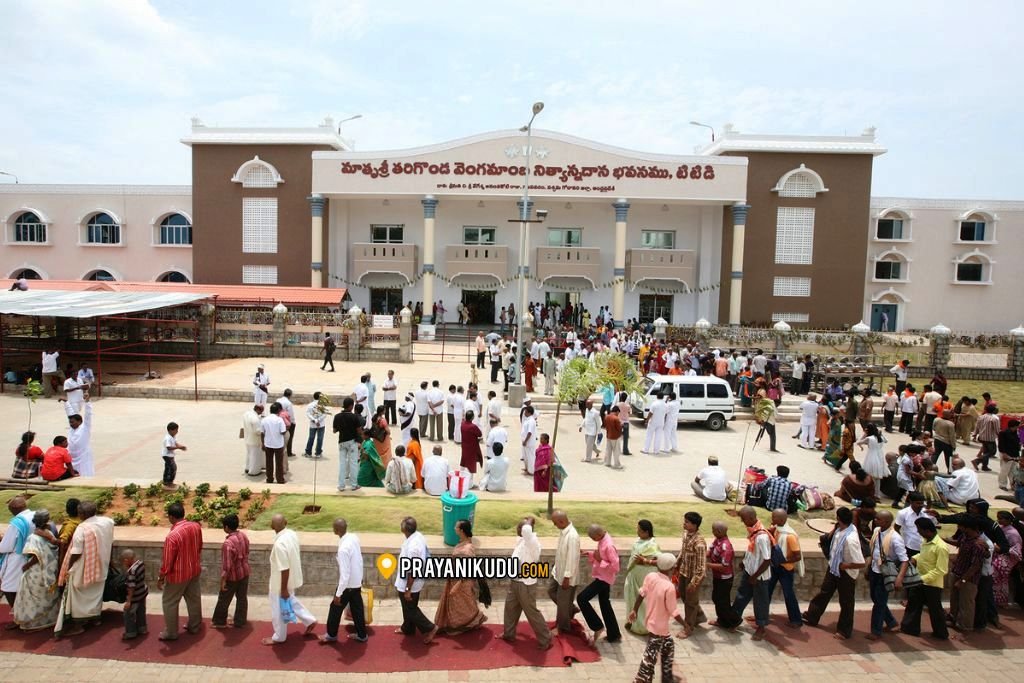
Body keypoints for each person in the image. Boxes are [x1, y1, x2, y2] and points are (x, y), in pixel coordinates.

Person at [802, 506, 866, 640]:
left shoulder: (851, 539)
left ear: (838, 519)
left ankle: (844, 631)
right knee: (824, 593)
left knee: (846, 602)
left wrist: (846, 565)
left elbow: (860, 562)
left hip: (846, 574)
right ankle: (812, 616)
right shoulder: (840, 528)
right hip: (833, 568)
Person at [55, 501, 114, 637]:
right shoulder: (107, 522)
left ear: (81, 514)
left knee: (78, 595)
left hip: (83, 568)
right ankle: (95, 618)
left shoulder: (82, 528)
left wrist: (68, 567)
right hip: (102, 564)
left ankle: (78, 625)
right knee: (96, 592)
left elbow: (76, 552)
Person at [629, 553, 686, 683]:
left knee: (668, 646)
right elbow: (674, 612)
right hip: (659, 627)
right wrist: (686, 624)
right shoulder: (669, 587)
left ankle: (666, 678)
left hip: (651, 622)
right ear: (671, 569)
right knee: (650, 655)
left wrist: (635, 610)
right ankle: (641, 679)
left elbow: (641, 593)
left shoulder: (650, 576)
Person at [499, 516, 552, 649]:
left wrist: (530, 521)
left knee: (531, 612)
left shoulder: (532, 542)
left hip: (526, 584)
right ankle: (509, 634)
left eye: (520, 527)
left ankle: (546, 639)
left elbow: (527, 530)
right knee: (510, 608)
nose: (517, 529)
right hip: (516, 581)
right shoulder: (521, 541)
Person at [264, 514, 317, 645]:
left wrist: (283, 589)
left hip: (280, 582)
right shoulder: (292, 534)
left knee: (278, 609)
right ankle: (309, 620)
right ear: (286, 522)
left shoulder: (279, 545)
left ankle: (279, 637)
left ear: (272, 526)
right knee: (290, 601)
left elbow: (284, 568)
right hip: (291, 579)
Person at [156, 502, 202, 640]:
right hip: (193, 569)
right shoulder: (195, 526)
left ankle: (171, 632)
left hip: (178, 575)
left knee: (169, 602)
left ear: (170, 517)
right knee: (194, 599)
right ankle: (195, 625)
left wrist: (161, 577)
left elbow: (167, 561)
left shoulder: (172, 536)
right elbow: (199, 547)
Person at [434, 519, 489, 634]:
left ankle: (472, 621)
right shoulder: (463, 542)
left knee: (464, 604)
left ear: (461, 530)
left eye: (456, 527)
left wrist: (457, 585)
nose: (454, 528)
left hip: (462, 582)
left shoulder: (467, 549)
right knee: (460, 604)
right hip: (454, 579)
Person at [725, 506, 772, 639]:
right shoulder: (753, 531)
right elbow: (753, 552)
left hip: (759, 576)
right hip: (750, 571)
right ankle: (733, 620)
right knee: (741, 596)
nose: (742, 521)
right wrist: (745, 563)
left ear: (751, 518)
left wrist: (755, 576)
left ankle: (761, 628)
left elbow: (767, 560)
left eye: (744, 519)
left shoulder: (762, 536)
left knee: (760, 601)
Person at [899, 517, 949, 639]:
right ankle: (909, 628)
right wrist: (915, 558)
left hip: (932, 584)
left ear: (927, 531)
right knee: (913, 603)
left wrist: (923, 578)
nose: (918, 532)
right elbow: (923, 554)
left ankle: (941, 633)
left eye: (919, 530)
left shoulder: (941, 547)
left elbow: (941, 569)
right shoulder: (925, 541)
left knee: (935, 609)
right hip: (919, 579)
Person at [12, 509, 60, 632]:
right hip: (49, 569)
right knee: (45, 595)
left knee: (32, 597)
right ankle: (50, 620)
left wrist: (26, 566)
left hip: (36, 571)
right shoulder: (49, 533)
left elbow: (35, 556)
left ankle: (34, 623)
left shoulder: (33, 537)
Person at [321, 518, 367, 644]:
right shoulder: (354, 537)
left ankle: (331, 635)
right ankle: (362, 635)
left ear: (336, 530)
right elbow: (359, 560)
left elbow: (345, 575)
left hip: (348, 585)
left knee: (335, 608)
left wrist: (338, 594)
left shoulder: (343, 550)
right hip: (356, 582)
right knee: (357, 609)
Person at [866, 510, 907, 640]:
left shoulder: (895, 538)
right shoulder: (876, 531)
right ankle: (892, 623)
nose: (875, 520)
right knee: (877, 599)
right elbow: (873, 551)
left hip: (886, 574)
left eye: (878, 519)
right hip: (874, 570)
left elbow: (904, 560)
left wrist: (899, 578)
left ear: (887, 522)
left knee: (879, 602)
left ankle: (875, 631)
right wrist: (868, 567)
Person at [395, 517, 438, 643]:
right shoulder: (417, 536)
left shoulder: (413, 547)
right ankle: (408, 628)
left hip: (410, 583)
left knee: (410, 608)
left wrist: (408, 589)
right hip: (411, 581)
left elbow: (413, 569)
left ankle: (430, 628)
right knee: (409, 606)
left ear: (404, 529)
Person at [212, 513, 250, 629]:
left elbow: (227, 566)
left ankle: (219, 621)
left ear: (227, 527)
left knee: (224, 598)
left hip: (233, 576)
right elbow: (247, 551)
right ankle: (240, 620)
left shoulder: (227, 544)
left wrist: (223, 580)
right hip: (244, 572)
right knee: (242, 597)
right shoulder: (243, 536)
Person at [623, 520, 661, 636]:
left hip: (646, 575)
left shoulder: (653, 545)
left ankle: (644, 626)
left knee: (644, 601)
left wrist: (644, 560)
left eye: (639, 530)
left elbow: (659, 561)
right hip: (634, 575)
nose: (637, 532)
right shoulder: (638, 541)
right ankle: (632, 623)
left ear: (646, 532)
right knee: (632, 598)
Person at [673, 512, 707, 639]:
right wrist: (677, 564)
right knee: (683, 595)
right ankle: (699, 616)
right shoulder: (687, 535)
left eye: (687, 522)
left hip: (693, 576)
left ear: (694, 525)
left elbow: (701, 567)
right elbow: (683, 551)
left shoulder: (699, 543)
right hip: (684, 572)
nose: (684, 523)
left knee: (690, 603)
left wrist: (694, 583)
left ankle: (688, 627)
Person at [547, 509, 580, 635]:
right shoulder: (563, 532)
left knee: (562, 602)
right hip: (558, 573)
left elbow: (572, 559)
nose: (555, 526)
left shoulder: (572, 536)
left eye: (555, 523)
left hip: (567, 576)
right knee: (551, 592)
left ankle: (563, 627)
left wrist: (567, 577)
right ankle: (570, 609)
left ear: (561, 521)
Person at [705, 521, 737, 629]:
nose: (712, 532)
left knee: (723, 602)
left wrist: (708, 565)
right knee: (716, 598)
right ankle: (721, 620)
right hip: (717, 577)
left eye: (713, 530)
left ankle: (733, 623)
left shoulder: (726, 547)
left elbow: (724, 566)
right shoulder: (717, 540)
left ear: (719, 531)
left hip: (725, 578)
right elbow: (710, 551)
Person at [992, 510, 1022, 607]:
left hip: (1008, 559)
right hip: (999, 555)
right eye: (998, 518)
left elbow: (1016, 551)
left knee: (1000, 578)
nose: (999, 520)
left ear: (1008, 520)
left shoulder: (1013, 533)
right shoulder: (1001, 528)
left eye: (1001, 519)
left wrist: (1000, 549)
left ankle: (1000, 600)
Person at [333, 397, 363, 492]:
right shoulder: (354, 417)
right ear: (350, 406)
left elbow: (334, 430)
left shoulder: (337, 416)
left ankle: (341, 485)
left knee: (342, 463)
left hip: (342, 442)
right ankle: (354, 485)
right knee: (353, 463)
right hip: (352, 442)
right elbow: (359, 431)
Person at [118, 548, 149, 640]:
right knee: (141, 611)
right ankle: (142, 628)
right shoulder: (141, 564)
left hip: (135, 596)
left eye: (124, 562)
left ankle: (131, 633)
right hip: (142, 593)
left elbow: (131, 587)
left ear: (127, 560)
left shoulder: (131, 572)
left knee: (128, 614)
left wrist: (128, 601)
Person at [856, 422, 887, 498]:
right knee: (877, 478)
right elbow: (886, 441)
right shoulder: (880, 437)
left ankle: (870, 493)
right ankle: (877, 494)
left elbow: (858, 442)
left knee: (869, 475)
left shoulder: (869, 438)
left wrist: (864, 434)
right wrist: (880, 434)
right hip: (880, 457)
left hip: (871, 456)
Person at [261, 402, 287, 485]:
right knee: (279, 463)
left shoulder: (264, 419)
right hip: (278, 444)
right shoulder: (279, 420)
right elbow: (283, 432)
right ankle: (280, 479)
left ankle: (269, 478)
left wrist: (263, 443)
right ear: (279, 410)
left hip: (268, 443)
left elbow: (262, 433)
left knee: (269, 462)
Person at [66, 402, 94, 476]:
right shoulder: (71, 429)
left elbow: (88, 415)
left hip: (83, 457)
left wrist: (87, 402)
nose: (71, 424)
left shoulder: (85, 428)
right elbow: (70, 413)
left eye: (72, 422)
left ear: (80, 421)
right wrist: (66, 403)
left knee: (84, 474)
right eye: (70, 422)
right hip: (72, 457)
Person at [460, 411, 484, 488]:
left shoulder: (462, 424)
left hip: (464, 447)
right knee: (471, 465)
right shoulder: (473, 427)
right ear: (472, 417)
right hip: (472, 448)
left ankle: (461, 479)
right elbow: (479, 434)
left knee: (464, 463)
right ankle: (469, 485)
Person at [973, 404, 1000, 472]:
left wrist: (975, 434)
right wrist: (1000, 437)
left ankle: (984, 466)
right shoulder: (995, 418)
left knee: (986, 452)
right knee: (992, 452)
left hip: (982, 437)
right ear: (994, 411)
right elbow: (997, 430)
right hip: (990, 438)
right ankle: (977, 461)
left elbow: (977, 426)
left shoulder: (981, 417)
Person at [160, 421, 187, 488]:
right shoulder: (168, 438)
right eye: (176, 430)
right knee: (172, 468)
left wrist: (181, 447)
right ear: (170, 430)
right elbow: (169, 447)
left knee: (168, 468)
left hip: (170, 455)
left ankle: (166, 481)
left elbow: (176, 443)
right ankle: (169, 482)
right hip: (167, 455)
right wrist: (178, 447)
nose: (177, 431)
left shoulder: (173, 436)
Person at [998, 418, 1021, 491]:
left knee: (1014, 471)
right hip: (1006, 454)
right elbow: (1001, 444)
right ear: (1013, 426)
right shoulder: (1003, 433)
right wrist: (1004, 454)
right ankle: (1002, 484)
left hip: (1014, 454)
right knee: (1005, 470)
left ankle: (1013, 485)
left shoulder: (1015, 433)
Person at [303, 392, 328, 458]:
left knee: (311, 438)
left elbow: (308, 414)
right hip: (321, 424)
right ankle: (318, 453)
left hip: (313, 424)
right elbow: (325, 414)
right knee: (320, 439)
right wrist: (318, 420)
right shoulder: (323, 405)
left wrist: (314, 420)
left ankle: (308, 452)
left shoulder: (310, 405)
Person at [241, 404, 265, 476]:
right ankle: (254, 471)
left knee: (249, 454)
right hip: (255, 440)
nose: (261, 413)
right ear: (258, 409)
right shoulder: (255, 419)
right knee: (255, 456)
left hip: (247, 438)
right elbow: (257, 431)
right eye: (261, 411)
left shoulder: (247, 414)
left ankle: (247, 468)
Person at [276, 389, 297, 458]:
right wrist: (293, 422)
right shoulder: (288, 403)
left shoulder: (278, 400)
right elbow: (290, 414)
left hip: (278, 420)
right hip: (286, 422)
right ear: (290, 395)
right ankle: (289, 452)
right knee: (289, 437)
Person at [521, 405, 538, 474]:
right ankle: (527, 468)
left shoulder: (531, 421)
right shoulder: (527, 420)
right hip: (525, 442)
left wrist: (525, 441)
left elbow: (529, 432)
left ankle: (531, 471)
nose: (524, 413)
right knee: (526, 456)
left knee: (530, 457)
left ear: (529, 412)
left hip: (529, 442)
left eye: (525, 412)